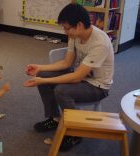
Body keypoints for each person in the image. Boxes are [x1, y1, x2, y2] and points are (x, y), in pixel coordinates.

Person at [24, 3, 114, 151]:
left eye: (66, 28)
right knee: (43, 75)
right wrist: (40, 68)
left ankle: (75, 133)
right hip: (82, 77)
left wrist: (44, 81)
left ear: (79, 25)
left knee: (61, 90)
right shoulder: (75, 35)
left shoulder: (100, 43)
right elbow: (67, 63)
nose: (65, 32)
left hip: (98, 86)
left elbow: (76, 78)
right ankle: (55, 118)